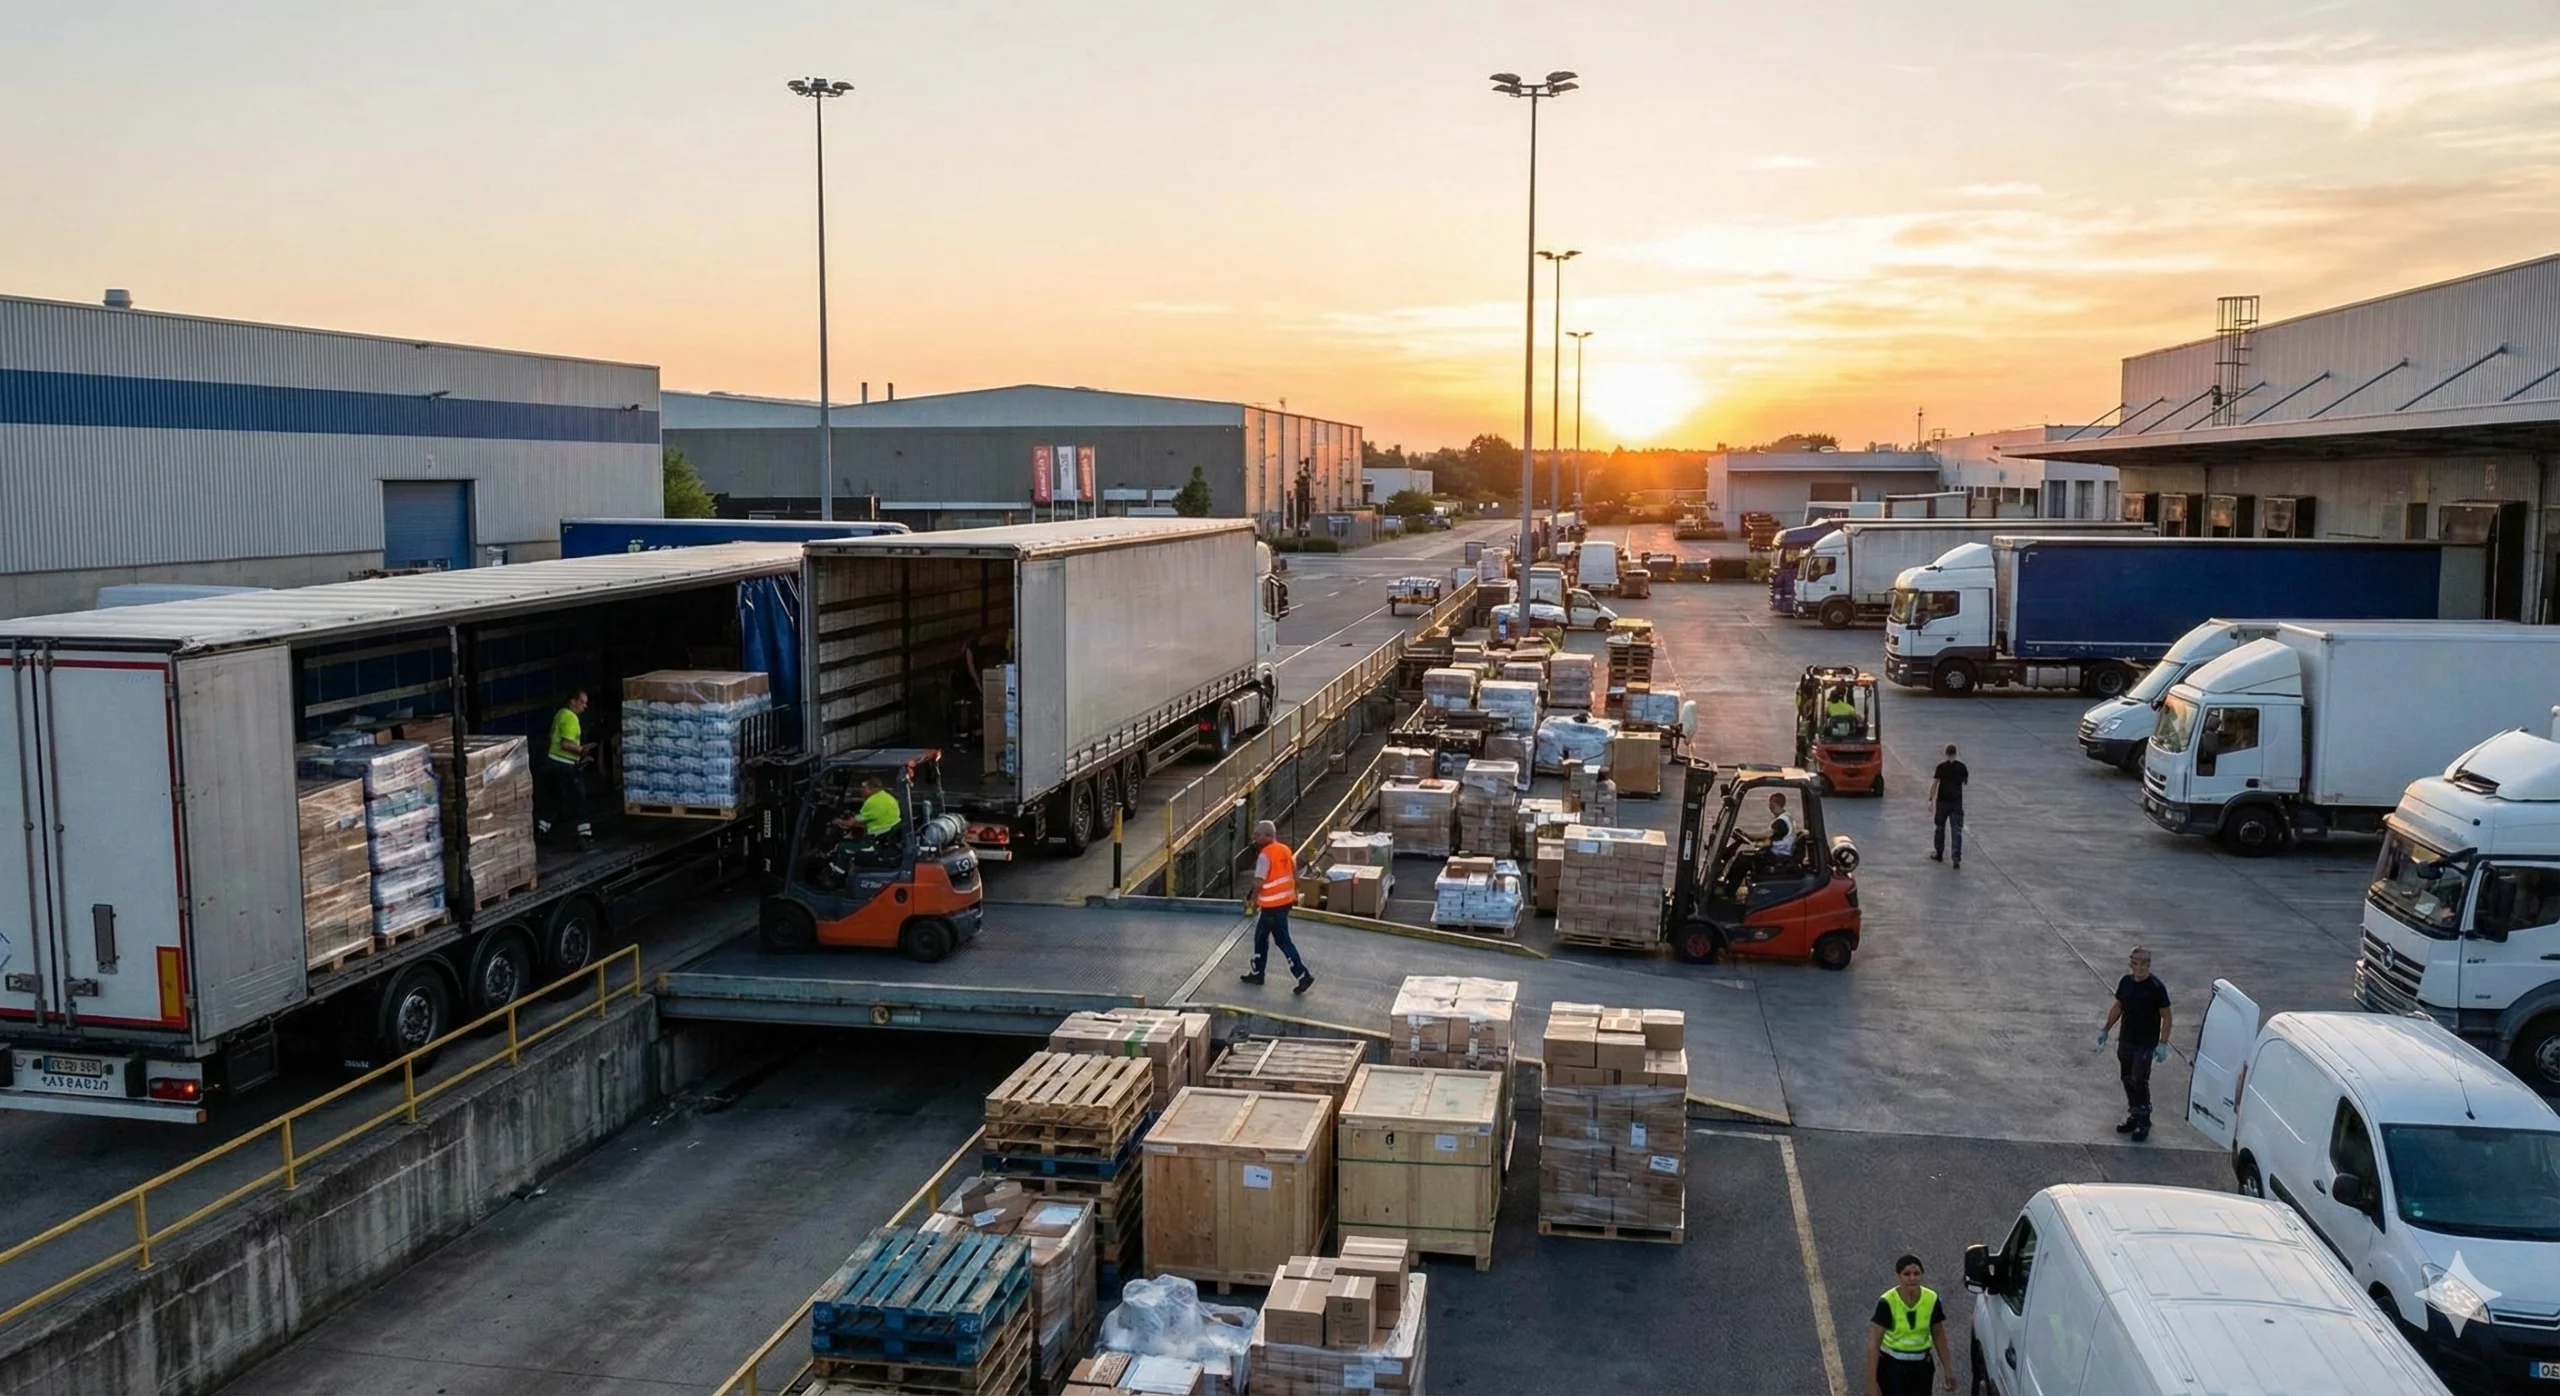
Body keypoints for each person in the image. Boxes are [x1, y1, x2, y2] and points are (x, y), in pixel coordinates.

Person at [2096, 946, 2173, 1141]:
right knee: (2127, 1079)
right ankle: (2135, 1114)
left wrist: (2163, 1043)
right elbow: (2118, 1006)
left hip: (2145, 1043)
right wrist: (2106, 1028)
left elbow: (2167, 1017)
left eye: (2143, 964)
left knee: (2139, 1080)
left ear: (2149, 965)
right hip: (2127, 1039)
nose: (2139, 968)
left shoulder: (2156, 988)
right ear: (2131, 964)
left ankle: (2144, 1120)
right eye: (2136, 964)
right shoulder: (2125, 983)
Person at [1239, 820, 1314, 993]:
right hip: (1284, 903)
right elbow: (1295, 875)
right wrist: (1294, 894)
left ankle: (1301, 975)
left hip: (1271, 906)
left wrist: (1253, 902)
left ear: (1267, 835)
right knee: (1273, 939)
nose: (1254, 838)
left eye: (1257, 835)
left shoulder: (1265, 855)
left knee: (1271, 939)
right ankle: (1259, 972)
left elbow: (1259, 882)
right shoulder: (1285, 850)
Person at [1867, 1254, 1956, 1396]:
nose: (1912, 1278)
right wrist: (1871, 1385)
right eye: (1906, 1274)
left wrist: (1947, 1368)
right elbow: (1874, 1344)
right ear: (1898, 1276)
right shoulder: (1887, 1302)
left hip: (1921, 1369)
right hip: (1892, 1369)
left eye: (1916, 1273)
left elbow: (1938, 1334)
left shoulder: (1931, 1299)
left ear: (1922, 1275)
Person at [537, 690, 593, 849]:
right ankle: (584, 835)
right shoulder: (571, 718)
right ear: (572, 701)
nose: (585, 706)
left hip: (552, 763)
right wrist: (583, 751)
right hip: (565, 766)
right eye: (582, 702)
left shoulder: (560, 714)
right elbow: (565, 744)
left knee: (554, 799)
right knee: (579, 800)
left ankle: (542, 830)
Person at [1926, 744, 1968, 869]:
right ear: (1955, 753)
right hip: (1956, 802)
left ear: (1946, 753)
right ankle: (1956, 859)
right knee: (1956, 831)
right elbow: (1965, 782)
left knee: (1940, 827)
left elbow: (1934, 784)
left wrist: (1930, 799)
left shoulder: (1941, 767)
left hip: (1942, 802)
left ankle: (1939, 854)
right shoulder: (1962, 767)